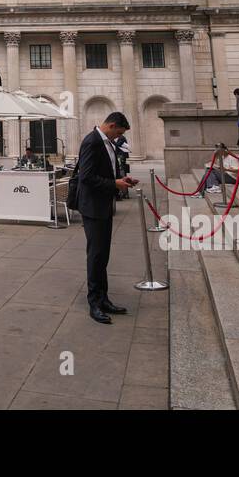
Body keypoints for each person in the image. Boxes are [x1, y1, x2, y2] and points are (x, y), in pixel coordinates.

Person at [72, 113, 133, 324]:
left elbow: (104, 172)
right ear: (112, 125)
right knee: (96, 256)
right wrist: (114, 184)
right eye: (119, 133)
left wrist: (121, 179)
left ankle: (103, 298)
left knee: (103, 256)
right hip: (93, 208)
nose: (118, 137)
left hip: (103, 206)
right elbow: (86, 177)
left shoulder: (106, 142)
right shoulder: (92, 141)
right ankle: (94, 303)